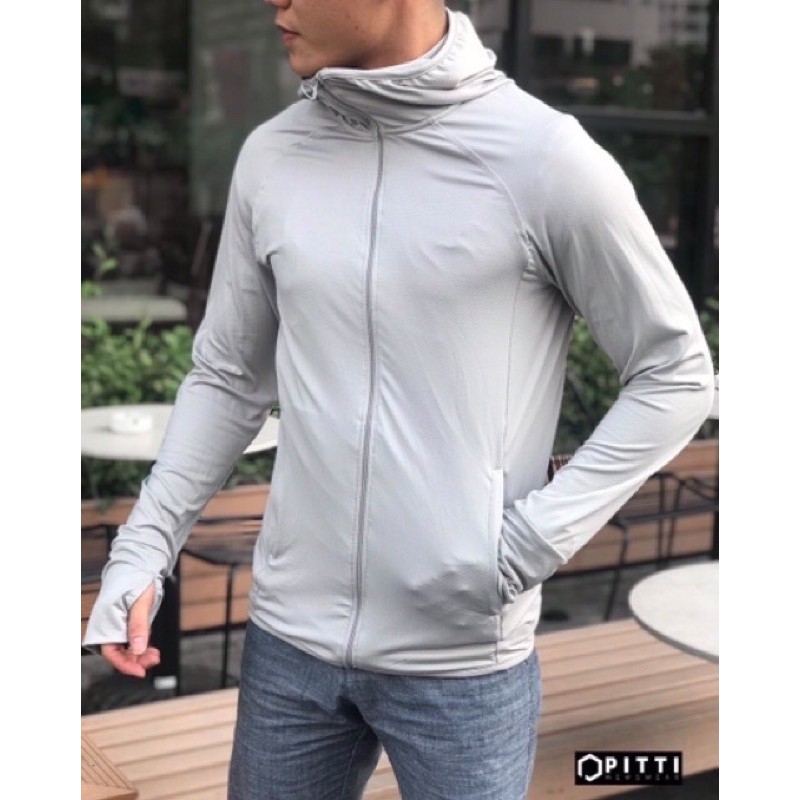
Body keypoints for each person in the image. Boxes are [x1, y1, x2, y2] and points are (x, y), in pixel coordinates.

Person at [83, 1, 716, 797]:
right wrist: (143, 548)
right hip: (289, 641)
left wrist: (522, 550)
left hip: (461, 659)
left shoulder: (543, 159)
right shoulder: (273, 156)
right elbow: (229, 376)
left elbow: (675, 371)